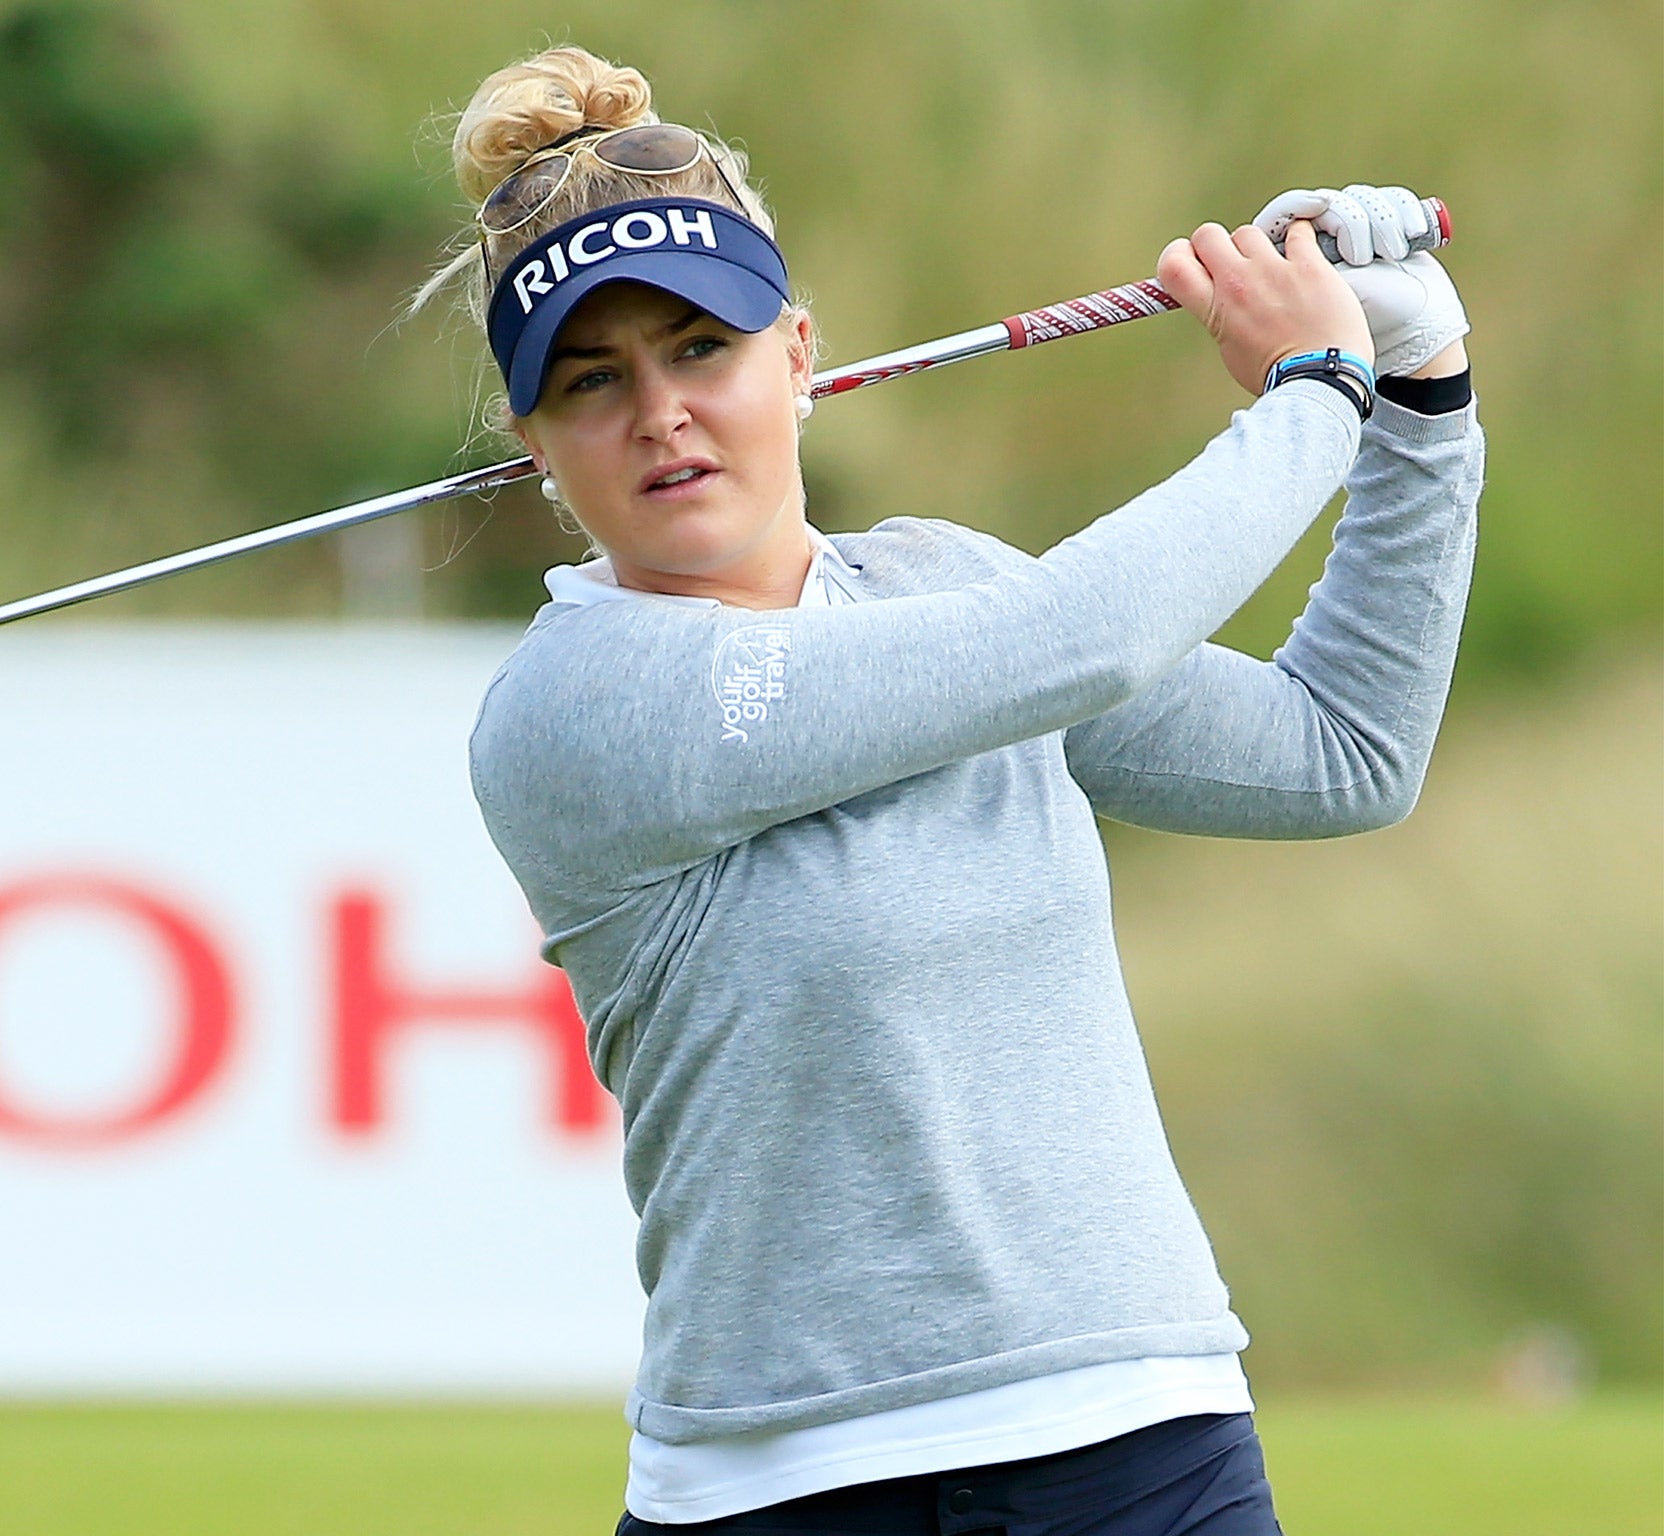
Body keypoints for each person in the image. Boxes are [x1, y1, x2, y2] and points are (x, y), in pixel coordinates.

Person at [408, 44, 1480, 1536]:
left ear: (798, 354)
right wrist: (1314, 389)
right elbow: (1081, 641)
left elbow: (1341, 752)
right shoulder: (573, 711)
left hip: (1143, 1447)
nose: (660, 412)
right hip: (786, 1485)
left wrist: (1421, 394)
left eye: (700, 347)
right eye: (593, 382)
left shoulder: (941, 582)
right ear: (533, 445)